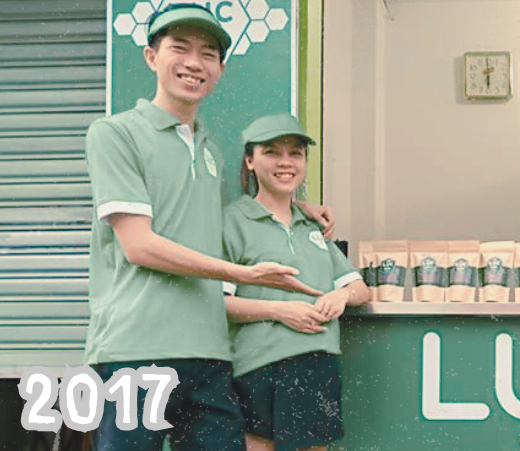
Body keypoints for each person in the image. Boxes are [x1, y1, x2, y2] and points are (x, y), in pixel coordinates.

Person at [85, 4, 334, 450]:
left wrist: (295, 206)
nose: (194, 63)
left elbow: (214, 223)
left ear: (220, 70)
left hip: (210, 354)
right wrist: (240, 273)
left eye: (208, 54)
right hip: (135, 350)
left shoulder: (210, 151)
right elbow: (139, 245)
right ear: (151, 57)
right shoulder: (115, 134)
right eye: (179, 48)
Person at [221, 113, 371, 451]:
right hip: (259, 365)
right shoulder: (232, 221)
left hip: (317, 362)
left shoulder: (311, 225)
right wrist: (281, 311)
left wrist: (340, 296)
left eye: (295, 153)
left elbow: (359, 288)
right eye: (272, 152)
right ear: (250, 161)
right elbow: (219, 303)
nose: (286, 162)